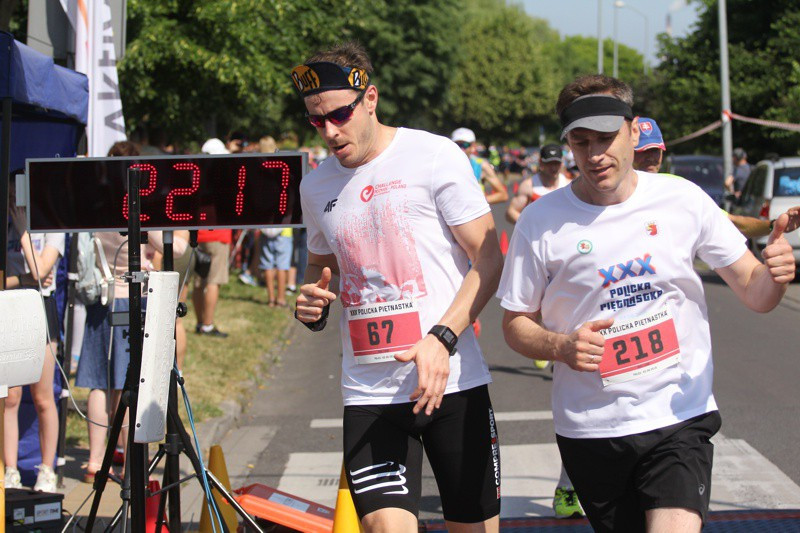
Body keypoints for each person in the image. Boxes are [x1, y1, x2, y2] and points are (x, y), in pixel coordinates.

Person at [497, 74, 795, 533]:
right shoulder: (540, 222)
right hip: (591, 430)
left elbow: (754, 291)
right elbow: (515, 322)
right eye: (581, 142)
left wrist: (774, 276)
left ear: (634, 132)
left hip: (678, 416)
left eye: (606, 138)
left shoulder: (683, 200)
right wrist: (560, 346)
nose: (595, 155)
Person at [292, 42, 503, 532]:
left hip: (451, 382)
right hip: (369, 391)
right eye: (315, 121)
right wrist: (310, 303)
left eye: (339, 115)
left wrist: (442, 337)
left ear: (370, 98)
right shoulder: (316, 186)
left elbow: (488, 257)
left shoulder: (432, 155)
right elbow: (321, 272)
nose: (329, 131)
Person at [633, 117, 800, 238]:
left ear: (663, 151)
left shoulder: (680, 190)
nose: (651, 157)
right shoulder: (609, 195)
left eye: (655, 150)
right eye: (642, 151)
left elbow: (734, 224)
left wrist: (775, 224)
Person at [3, 174, 63, 492]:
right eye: (10, 192)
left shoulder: (51, 227)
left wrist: (23, 226)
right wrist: (24, 280)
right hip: (10, 310)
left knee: (42, 398)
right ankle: (10, 468)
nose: (14, 198)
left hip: (41, 311)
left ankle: (46, 468)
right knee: (9, 397)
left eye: (19, 192)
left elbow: (41, 272)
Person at [193, 138, 232, 337]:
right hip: (218, 234)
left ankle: (200, 322)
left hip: (197, 234)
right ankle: (207, 325)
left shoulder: (194, 176)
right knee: (213, 281)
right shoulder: (223, 178)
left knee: (199, 282)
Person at [505, 144, 570, 224]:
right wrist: (532, 227)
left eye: (556, 163)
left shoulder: (569, 185)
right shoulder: (529, 185)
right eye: (549, 163)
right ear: (540, 162)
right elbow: (511, 212)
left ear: (562, 163)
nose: (553, 167)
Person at [451, 127, 509, 205]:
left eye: (465, 145)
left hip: (475, 215)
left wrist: (475, 203)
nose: (461, 148)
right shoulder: (443, 164)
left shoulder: (480, 165)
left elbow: (503, 195)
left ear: (473, 146)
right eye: (457, 144)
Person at [259, 227, 292, 307]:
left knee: (268, 265)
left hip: (265, 231)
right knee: (282, 266)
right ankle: (281, 299)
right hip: (284, 232)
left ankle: (271, 300)